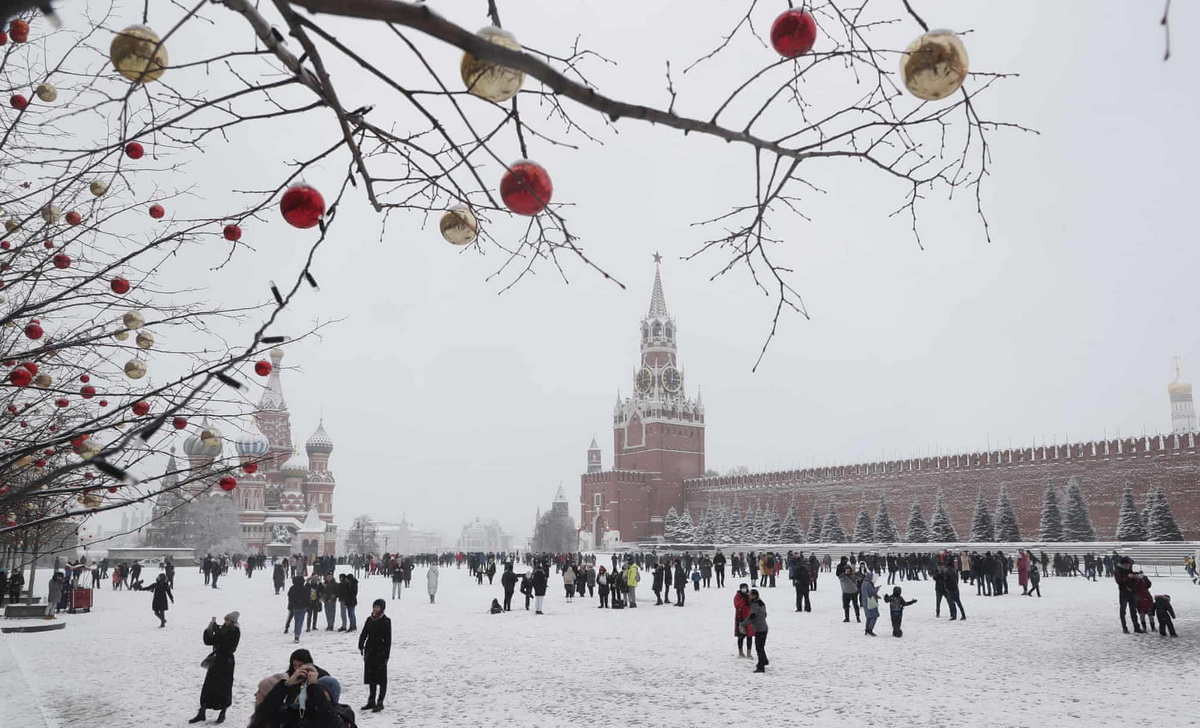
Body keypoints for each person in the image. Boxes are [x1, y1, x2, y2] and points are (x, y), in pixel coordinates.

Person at [189, 612, 240, 724]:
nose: (226, 622)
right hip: (217, 661)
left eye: (228, 620)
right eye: (225, 620)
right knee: (208, 686)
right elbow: (210, 640)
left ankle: (223, 712)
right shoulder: (225, 629)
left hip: (226, 662)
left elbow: (220, 641)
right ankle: (202, 712)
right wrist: (211, 627)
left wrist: (214, 630)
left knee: (224, 687)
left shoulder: (235, 631)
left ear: (233, 621)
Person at [359, 598, 391, 713]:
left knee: (381, 678)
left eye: (378, 607)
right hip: (370, 651)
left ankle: (380, 701)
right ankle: (371, 700)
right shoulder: (369, 619)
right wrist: (361, 644)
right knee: (371, 677)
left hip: (380, 652)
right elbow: (364, 633)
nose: (375, 609)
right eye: (374, 607)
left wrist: (386, 654)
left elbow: (388, 639)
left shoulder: (386, 621)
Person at [740, 589, 769, 673]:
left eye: (750, 595)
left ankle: (761, 666)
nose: (748, 596)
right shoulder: (761, 602)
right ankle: (764, 660)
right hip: (764, 627)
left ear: (754, 595)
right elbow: (765, 614)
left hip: (759, 629)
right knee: (761, 646)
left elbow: (752, 616)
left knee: (759, 647)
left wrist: (743, 624)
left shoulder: (755, 605)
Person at [1114, 556, 1142, 634]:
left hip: (1132, 592)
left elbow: (1135, 579)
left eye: (1128, 565)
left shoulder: (1130, 570)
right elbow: (1119, 581)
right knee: (1123, 611)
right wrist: (1127, 577)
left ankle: (1136, 627)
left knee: (1133, 611)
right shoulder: (1118, 571)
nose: (1128, 566)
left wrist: (1137, 576)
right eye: (1126, 565)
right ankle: (1124, 628)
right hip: (1123, 593)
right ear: (1122, 564)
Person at [837, 558, 861, 623]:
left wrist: (854, 573)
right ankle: (847, 618)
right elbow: (839, 577)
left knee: (855, 605)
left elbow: (860, 578)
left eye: (848, 570)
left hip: (854, 592)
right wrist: (844, 573)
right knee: (846, 606)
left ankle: (858, 617)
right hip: (846, 592)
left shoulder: (853, 576)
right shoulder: (843, 576)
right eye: (846, 570)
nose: (848, 571)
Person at [733, 583, 753, 658]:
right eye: (743, 588)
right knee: (741, 636)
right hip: (740, 618)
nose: (744, 589)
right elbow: (737, 605)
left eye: (745, 587)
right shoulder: (737, 596)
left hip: (749, 618)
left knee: (749, 636)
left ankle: (749, 652)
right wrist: (743, 599)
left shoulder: (750, 595)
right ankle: (740, 652)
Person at [287, 576, 309, 643]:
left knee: (296, 620)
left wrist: (291, 605)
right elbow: (307, 598)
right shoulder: (305, 588)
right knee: (300, 621)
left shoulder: (292, 588)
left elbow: (290, 597)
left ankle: (296, 633)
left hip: (295, 607)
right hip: (303, 607)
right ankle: (297, 634)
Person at [860, 571, 880, 637]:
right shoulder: (868, 584)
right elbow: (871, 593)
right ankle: (870, 630)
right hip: (870, 601)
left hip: (865, 601)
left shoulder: (864, 583)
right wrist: (877, 589)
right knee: (874, 616)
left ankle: (867, 630)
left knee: (868, 617)